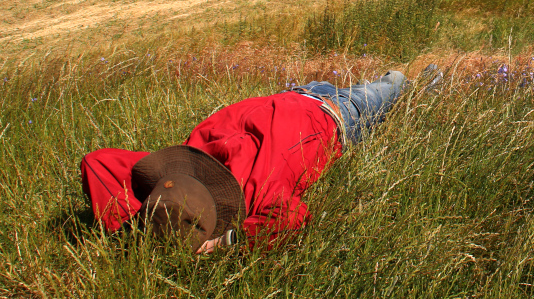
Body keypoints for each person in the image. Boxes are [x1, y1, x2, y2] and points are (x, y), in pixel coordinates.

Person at [80, 69, 416, 252]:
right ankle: (428, 79)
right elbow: (97, 163)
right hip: (316, 104)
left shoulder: (243, 188)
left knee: (388, 84)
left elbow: (294, 216)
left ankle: (425, 81)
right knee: (392, 84)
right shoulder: (190, 161)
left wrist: (131, 230)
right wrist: (134, 219)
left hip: (319, 104)